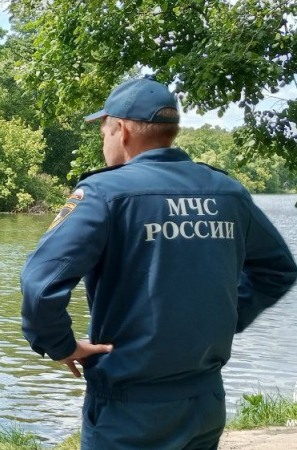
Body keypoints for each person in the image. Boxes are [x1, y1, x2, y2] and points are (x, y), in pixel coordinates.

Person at [20, 77, 297, 450]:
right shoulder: (226, 192)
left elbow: (40, 285)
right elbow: (277, 270)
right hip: (204, 402)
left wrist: (61, 345)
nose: (104, 141)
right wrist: (228, 317)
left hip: (129, 408)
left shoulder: (104, 193)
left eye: (104, 130)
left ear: (122, 129)